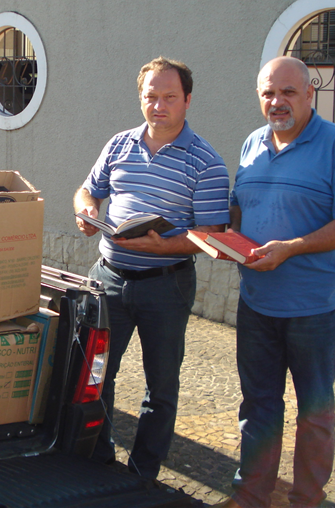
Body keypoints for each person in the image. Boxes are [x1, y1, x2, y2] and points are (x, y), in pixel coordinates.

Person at [216, 56, 335, 508]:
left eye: (288, 92)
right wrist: (213, 233)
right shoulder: (251, 144)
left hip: (315, 308)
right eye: (269, 92)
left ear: (310, 94)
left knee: (315, 414)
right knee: (259, 407)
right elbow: (240, 210)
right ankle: (251, 495)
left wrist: (291, 246)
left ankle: (307, 499)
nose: (277, 101)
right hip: (256, 303)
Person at [74, 56, 230, 482]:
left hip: (166, 286)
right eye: (151, 96)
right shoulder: (119, 144)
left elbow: (212, 233)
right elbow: (88, 190)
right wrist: (87, 211)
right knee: (96, 373)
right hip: (107, 278)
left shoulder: (208, 163)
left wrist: (165, 245)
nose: (159, 105)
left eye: (169, 97)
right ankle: (100, 458)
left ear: (187, 101)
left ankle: (142, 473)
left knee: (160, 387)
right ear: (140, 98)